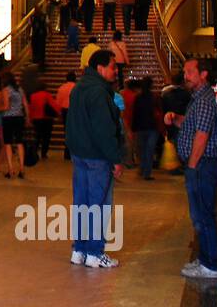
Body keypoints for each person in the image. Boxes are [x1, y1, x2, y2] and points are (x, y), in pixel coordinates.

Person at [64, 49, 125, 269]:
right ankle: (95, 252)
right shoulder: (99, 92)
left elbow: (71, 124)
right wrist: (115, 158)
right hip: (97, 157)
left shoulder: (79, 88)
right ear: (100, 68)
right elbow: (104, 129)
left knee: (81, 203)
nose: (116, 71)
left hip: (79, 156)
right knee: (99, 205)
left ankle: (79, 250)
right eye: (112, 66)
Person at [170, 57, 217, 280]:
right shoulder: (198, 98)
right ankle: (205, 259)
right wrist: (176, 119)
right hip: (200, 165)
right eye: (185, 72)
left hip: (202, 166)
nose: (186, 76)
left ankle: (210, 264)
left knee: (203, 214)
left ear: (203, 74)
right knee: (199, 214)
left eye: (190, 72)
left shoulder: (204, 100)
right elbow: (193, 126)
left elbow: (202, 135)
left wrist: (192, 165)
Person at [161, 74, 191, 176]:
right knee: (182, 142)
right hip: (184, 122)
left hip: (170, 121)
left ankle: (174, 165)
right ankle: (182, 164)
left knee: (173, 142)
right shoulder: (187, 94)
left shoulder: (166, 94)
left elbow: (163, 109)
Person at [132, 77, 162, 180]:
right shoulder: (155, 97)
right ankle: (147, 173)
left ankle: (142, 168)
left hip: (140, 127)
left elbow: (135, 114)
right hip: (152, 127)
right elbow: (159, 112)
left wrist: (133, 128)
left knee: (142, 150)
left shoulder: (138, 97)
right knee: (149, 150)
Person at [0, 71, 26, 178]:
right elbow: (25, 104)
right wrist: (27, 117)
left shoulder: (6, 90)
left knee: (8, 143)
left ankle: (10, 169)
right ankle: (22, 168)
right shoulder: (20, 89)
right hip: (19, 117)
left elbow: (6, 106)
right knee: (19, 142)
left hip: (8, 118)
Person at [28, 83, 58, 160]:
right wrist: (58, 113)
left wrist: (30, 119)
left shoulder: (33, 96)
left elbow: (31, 108)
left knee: (37, 136)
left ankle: (35, 152)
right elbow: (53, 105)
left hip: (36, 119)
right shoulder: (47, 95)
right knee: (46, 137)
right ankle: (43, 153)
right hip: (47, 119)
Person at [55, 71, 77, 161]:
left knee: (67, 132)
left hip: (65, 111)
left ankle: (67, 153)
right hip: (75, 111)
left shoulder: (62, 88)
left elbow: (58, 102)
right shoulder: (77, 87)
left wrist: (59, 113)